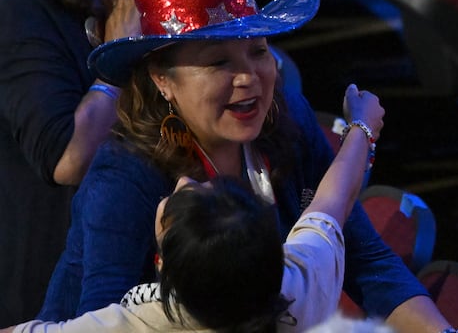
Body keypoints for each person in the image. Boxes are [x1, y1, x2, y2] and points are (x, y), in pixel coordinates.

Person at [40, 0, 451, 332]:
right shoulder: (125, 175)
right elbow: (102, 322)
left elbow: (366, 261)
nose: (248, 77)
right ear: (162, 79)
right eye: (218, 62)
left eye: (258, 50)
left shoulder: (290, 120)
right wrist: (362, 130)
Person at [8, 82, 384, 333]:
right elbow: (335, 196)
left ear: (163, 267)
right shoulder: (300, 286)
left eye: (181, 199)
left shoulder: (139, 321)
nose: (185, 180)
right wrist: (361, 126)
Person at [0, 0, 178, 324]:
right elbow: (68, 161)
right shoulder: (25, 12)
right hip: (55, 284)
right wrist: (116, 63)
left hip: (154, 260)